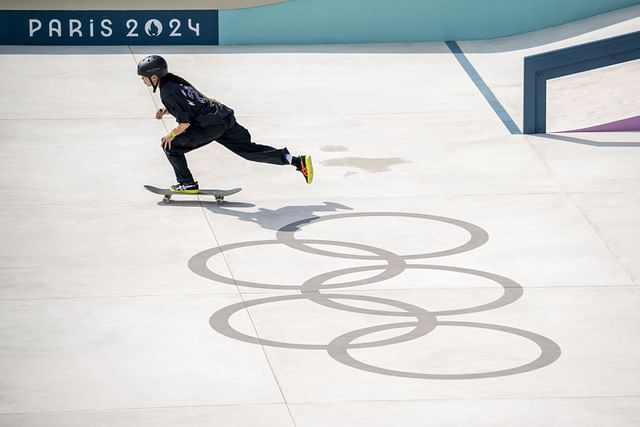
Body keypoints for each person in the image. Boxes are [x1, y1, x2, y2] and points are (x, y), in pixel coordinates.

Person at [137, 55, 313, 193]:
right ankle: (296, 161)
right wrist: (167, 110)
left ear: (154, 76)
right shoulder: (174, 81)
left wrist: (171, 135)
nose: (142, 80)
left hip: (211, 126)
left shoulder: (167, 91)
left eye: (144, 77)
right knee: (249, 151)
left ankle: (187, 184)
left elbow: (185, 123)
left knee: (170, 147)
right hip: (224, 117)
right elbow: (192, 103)